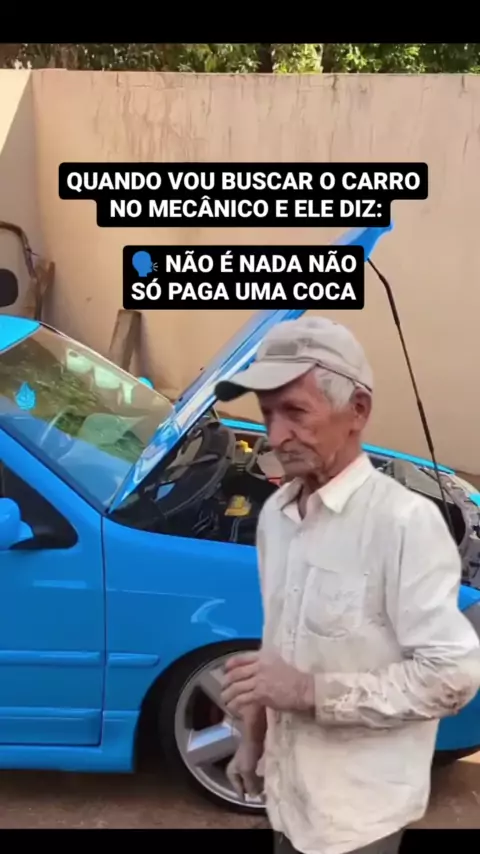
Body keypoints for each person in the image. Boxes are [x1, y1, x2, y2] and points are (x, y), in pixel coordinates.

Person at [216, 316, 480, 854]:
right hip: (288, 797)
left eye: (295, 412)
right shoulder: (278, 515)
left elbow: (452, 677)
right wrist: (253, 738)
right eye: (267, 413)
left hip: (359, 819)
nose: (275, 436)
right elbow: (281, 644)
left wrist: (309, 692)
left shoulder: (404, 524)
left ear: (357, 410)